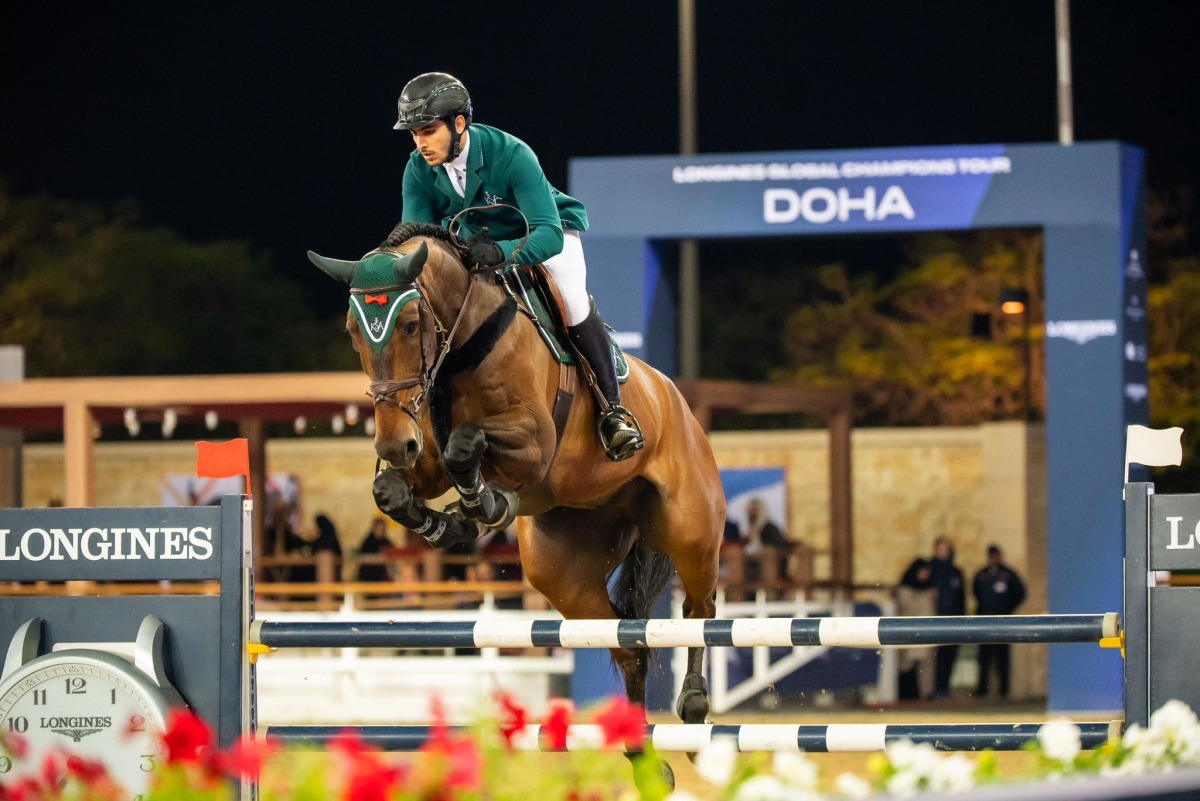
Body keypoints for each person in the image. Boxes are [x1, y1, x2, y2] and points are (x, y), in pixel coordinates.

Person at [383, 71, 644, 462]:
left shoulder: (511, 153)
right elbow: (417, 242)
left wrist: (503, 252)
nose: (420, 143)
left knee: (571, 300)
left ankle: (613, 411)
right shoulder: (418, 169)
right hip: (473, 247)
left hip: (545, 235)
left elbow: (549, 234)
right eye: (414, 133)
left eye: (428, 130)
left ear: (459, 124)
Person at [972, 544, 1027, 699]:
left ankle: (1004, 690)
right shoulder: (982, 574)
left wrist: (1008, 609)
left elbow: (1021, 593)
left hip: (1003, 622)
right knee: (984, 657)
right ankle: (982, 689)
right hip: (984, 622)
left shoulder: (1008, 574)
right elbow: (975, 591)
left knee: (1003, 657)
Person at [894, 558, 937, 700]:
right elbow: (906, 607)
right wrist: (924, 597)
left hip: (927, 632)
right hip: (908, 632)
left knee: (926, 668)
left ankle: (925, 695)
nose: (925, 575)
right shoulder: (905, 589)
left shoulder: (930, 587)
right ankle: (907, 696)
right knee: (906, 666)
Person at [929, 536, 966, 698]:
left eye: (946, 549)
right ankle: (934, 690)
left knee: (950, 656)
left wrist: (964, 621)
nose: (943, 552)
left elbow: (962, 598)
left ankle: (944, 689)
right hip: (933, 621)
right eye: (940, 549)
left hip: (954, 621)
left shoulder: (956, 572)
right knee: (934, 658)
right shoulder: (929, 569)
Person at [356, 517, 393, 582]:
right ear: (374, 529)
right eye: (379, 529)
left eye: (383, 529)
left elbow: (393, 553)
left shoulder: (386, 542)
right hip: (368, 578)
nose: (381, 531)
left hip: (382, 579)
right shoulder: (368, 542)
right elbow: (362, 558)